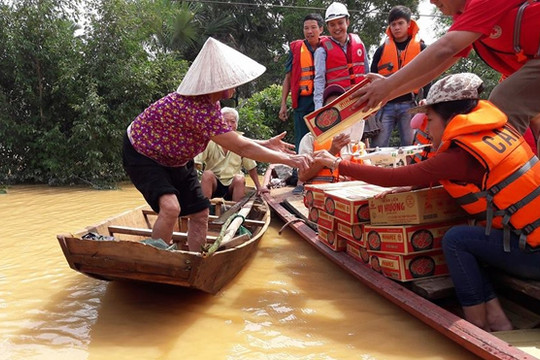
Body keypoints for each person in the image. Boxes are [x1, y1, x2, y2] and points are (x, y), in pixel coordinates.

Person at [315, 73, 540, 331]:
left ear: (450, 118)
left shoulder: (460, 155)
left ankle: (477, 324)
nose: (427, 128)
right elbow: (428, 177)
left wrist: (336, 163)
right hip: (528, 239)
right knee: (471, 234)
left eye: (430, 119)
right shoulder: (498, 132)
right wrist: (411, 185)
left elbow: (394, 176)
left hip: (533, 254)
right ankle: (498, 319)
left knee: (456, 240)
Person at [122, 37, 312, 252]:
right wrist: (290, 160)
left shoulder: (211, 104)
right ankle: (155, 265)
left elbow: (230, 138)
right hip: (143, 155)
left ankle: (194, 261)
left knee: (201, 213)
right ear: (219, 84)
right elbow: (241, 147)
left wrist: (265, 143)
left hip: (176, 161)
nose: (235, 84)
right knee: (170, 207)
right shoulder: (193, 107)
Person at [350, 0, 540, 155]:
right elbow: (435, 69)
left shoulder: (483, 3)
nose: (432, 1)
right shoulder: (464, 19)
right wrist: (387, 94)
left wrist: (389, 84)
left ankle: (493, 181)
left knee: (504, 100)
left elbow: (445, 48)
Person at [369, 5, 430, 147]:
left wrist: (427, 97)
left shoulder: (421, 48)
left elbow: (428, 75)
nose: (396, 27)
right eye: (393, 24)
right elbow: (372, 78)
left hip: (409, 105)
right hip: (386, 105)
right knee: (378, 145)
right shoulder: (381, 50)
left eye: (400, 23)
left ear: (409, 24)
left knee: (411, 146)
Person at [195, 107, 269, 202]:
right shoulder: (210, 139)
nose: (229, 125)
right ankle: (204, 208)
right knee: (207, 174)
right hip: (214, 184)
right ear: (220, 122)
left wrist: (259, 187)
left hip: (232, 185)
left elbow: (251, 167)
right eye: (226, 121)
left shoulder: (241, 142)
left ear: (236, 125)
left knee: (239, 179)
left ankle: (236, 212)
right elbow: (196, 163)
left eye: (232, 122)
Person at [279, 13, 325, 152]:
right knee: (302, 138)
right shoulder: (296, 49)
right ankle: (300, 170)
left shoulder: (329, 47)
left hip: (324, 99)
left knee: (323, 135)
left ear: (321, 29)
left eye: (313, 27)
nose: (309, 31)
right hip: (302, 101)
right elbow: (288, 78)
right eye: (306, 28)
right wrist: (283, 105)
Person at [313, 2, 370, 110]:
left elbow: (367, 73)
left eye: (340, 23)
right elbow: (319, 81)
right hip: (337, 105)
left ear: (347, 22)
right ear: (328, 27)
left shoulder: (359, 44)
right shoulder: (321, 51)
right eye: (332, 25)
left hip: (360, 101)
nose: (337, 28)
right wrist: (319, 108)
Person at [297, 85, 355, 185]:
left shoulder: (354, 136)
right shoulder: (310, 138)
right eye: (331, 107)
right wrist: (331, 152)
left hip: (347, 196)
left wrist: (347, 180)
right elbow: (302, 176)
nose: (336, 112)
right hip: (319, 197)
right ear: (323, 111)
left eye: (339, 106)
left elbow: (365, 172)